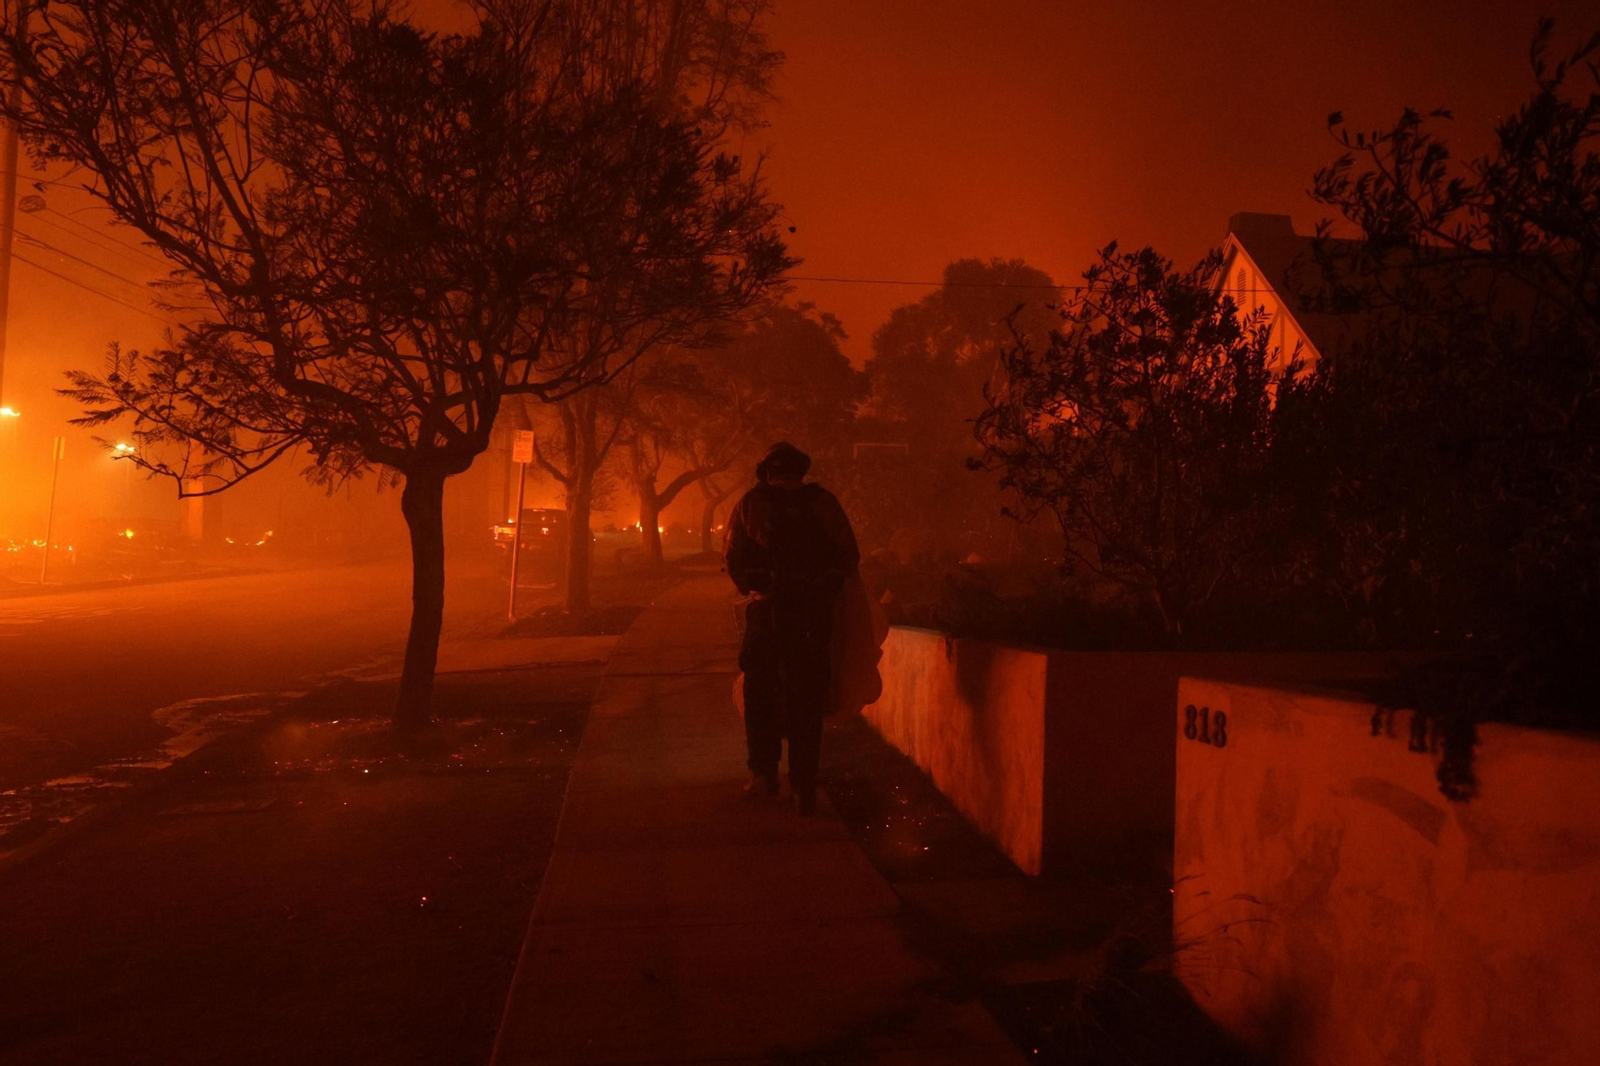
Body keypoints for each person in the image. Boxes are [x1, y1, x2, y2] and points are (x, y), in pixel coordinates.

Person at [724, 442, 860, 815]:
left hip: (766, 611)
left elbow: (732, 554)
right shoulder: (823, 503)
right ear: (801, 471)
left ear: (767, 472)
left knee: (760, 694)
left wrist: (752, 587)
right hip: (811, 614)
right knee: (807, 698)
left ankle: (763, 774)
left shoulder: (751, 503)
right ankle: (804, 785)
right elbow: (848, 555)